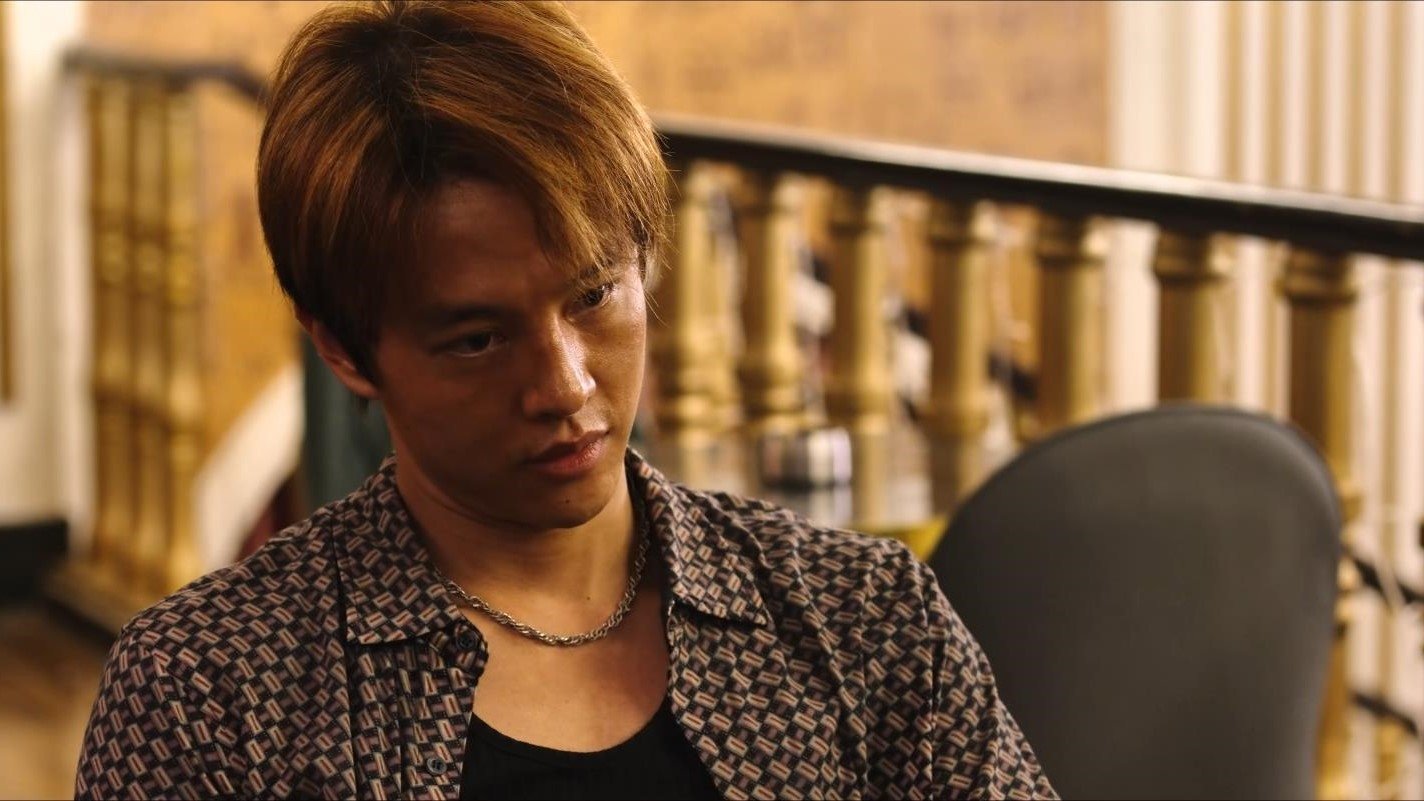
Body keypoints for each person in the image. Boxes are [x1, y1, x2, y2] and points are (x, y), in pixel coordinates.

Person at [74, 2, 1056, 798]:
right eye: (477, 339)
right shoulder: (213, 692)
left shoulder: (863, 620)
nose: (566, 385)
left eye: (593, 296)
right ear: (344, 349)